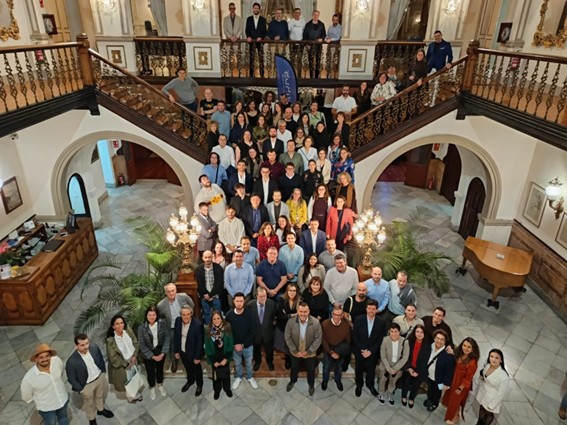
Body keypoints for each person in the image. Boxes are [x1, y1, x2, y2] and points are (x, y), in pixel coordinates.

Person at [65, 334, 114, 425]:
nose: (86, 347)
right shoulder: (71, 361)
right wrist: (81, 389)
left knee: (100, 396)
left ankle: (100, 410)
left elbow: (101, 359)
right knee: (89, 403)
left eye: (87, 343)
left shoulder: (94, 348)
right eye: (82, 345)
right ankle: (91, 419)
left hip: (99, 378)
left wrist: (103, 372)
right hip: (87, 385)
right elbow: (71, 378)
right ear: (76, 346)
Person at [21, 343, 70, 425]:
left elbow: (60, 373)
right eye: (41, 357)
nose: (45, 359)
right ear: (36, 359)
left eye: (47, 356)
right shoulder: (29, 378)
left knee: (63, 418)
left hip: (62, 400)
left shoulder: (57, 361)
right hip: (47, 408)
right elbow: (26, 397)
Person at [284, 301, 323, 396]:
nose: (303, 314)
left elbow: (318, 339)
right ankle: (292, 381)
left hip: (310, 354)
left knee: (311, 370)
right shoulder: (291, 322)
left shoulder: (316, 323)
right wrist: (294, 350)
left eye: (305, 311)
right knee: (294, 368)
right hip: (295, 353)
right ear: (297, 311)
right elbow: (287, 337)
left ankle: (311, 385)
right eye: (301, 311)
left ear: (309, 311)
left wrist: (309, 351)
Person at [157, 283, 193, 373]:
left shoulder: (184, 297)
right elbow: (160, 317)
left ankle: (190, 359)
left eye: (173, 291)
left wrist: (188, 316)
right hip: (172, 327)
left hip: (185, 323)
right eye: (169, 291)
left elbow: (192, 305)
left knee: (189, 341)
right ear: (166, 293)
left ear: (176, 290)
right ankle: (174, 362)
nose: (171, 293)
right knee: (172, 345)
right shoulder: (161, 305)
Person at [442, 337, 480, 424]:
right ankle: (454, 412)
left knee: (455, 401)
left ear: (473, 349)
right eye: (464, 345)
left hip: (461, 385)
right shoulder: (460, 354)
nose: (465, 348)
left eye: (469, 347)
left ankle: (455, 417)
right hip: (454, 380)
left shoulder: (473, 363)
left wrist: (460, 388)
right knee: (452, 399)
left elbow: (468, 378)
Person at [352, 299, 385, 397]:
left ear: (376, 310)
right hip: (360, 350)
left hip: (372, 351)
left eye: (373, 309)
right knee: (358, 369)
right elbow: (355, 336)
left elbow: (380, 339)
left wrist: (370, 351)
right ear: (366, 309)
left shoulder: (381, 322)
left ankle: (370, 385)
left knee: (371, 370)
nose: (371, 311)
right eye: (369, 308)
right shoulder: (358, 319)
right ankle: (359, 385)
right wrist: (362, 349)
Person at [225, 292, 258, 390]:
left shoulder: (250, 314)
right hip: (235, 346)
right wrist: (235, 344)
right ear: (233, 301)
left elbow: (252, 331)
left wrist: (243, 344)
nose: (239, 303)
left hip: (247, 345)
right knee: (237, 363)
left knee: (249, 363)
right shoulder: (229, 315)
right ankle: (238, 377)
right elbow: (228, 332)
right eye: (237, 301)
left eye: (241, 301)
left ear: (244, 301)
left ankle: (250, 377)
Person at [105, 314, 141, 402]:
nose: (120, 325)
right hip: (123, 364)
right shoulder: (111, 341)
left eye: (121, 323)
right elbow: (113, 358)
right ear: (113, 326)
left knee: (135, 377)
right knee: (127, 381)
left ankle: (136, 393)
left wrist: (135, 356)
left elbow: (135, 342)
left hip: (133, 359)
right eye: (117, 324)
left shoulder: (128, 330)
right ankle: (132, 397)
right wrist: (126, 364)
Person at [137, 305, 169, 400]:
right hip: (148, 353)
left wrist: (163, 353)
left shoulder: (162, 323)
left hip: (160, 350)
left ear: (157, 315)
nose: (151, 317)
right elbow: (142, 345)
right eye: (149, 315)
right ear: (146, 316)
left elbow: (167, 338)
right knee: (150, 372)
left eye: (153, 315)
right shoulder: (142, 328)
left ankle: (160, 384)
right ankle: (152, 387)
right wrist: (152, 356)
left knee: (160, 369)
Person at [173, 304, 204, 396]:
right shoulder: (178, 321)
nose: (186, 317)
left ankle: (199, 385)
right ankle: (190, 381)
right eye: (183, 314)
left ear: (191, 314)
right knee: (188, 368)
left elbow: (200, 342)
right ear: (181, 315)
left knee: (197, 371)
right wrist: (176, 351)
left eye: (188, 314)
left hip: (194, 353)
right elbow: (176, 336)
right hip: (182, 351)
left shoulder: (198, 325)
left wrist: (198, 357)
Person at [377, 322, 409, 405]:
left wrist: (395, 369)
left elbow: (405, 357)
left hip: (397, 367)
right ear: (389, 331)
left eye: (396, 331)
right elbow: (383, 355)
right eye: (392, 331)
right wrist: (388, 368)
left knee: (393, 382)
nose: (394, 334)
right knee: (382, 380)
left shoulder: (405, 342)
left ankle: (390, 393)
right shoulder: (385, 340)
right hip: (385, 365)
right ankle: (381, 393)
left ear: (399, 332)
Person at [204, 310, 234, 399]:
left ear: (221, 318)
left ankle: (227, 389)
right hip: (215, 358)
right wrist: (213, 361)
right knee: (216, 376)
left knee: (226, 375)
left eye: (218, 318)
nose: (216, 320)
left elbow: (230, 342)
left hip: (225, 357)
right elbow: (207, 346)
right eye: (214, 319)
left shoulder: (227, 327)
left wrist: (226, 358)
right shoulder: (208, 329)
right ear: (211, 320)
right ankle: (217, 390)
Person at [400, 324, 431, 408]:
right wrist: (409, 368)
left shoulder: (427, 345)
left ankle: (411, 398)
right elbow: (405, 356)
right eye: (417, 331)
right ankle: (403, 396)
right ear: (414, 333)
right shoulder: (409, 342)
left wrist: (417, 372)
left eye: (421, 332)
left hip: (419, 369)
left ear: (424, 334)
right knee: (406, 382)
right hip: (409, 367)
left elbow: (425, 361)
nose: (419, 334)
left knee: (416, 385)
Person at [476, 349, 510, 425]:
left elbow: (501, 394)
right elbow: (485, 376)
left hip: (492, 398)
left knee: (488, 413)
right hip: (483, 394)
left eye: (497, 358)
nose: (493, 359)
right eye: (491, 356)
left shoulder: (504, 376)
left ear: (501, 360)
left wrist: (492, 405)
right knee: (481, 408)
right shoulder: (488, 365)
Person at [423, 329, 455, 412]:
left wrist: (446, 384)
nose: (439, 341)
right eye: (437, 338)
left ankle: (434, 403)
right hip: (429, 376)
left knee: (437, 392)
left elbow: (449, 372)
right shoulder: (430, 347)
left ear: (445, 341)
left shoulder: (448, 355)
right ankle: (429, 399)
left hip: (439, 380)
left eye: (442, 339)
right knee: (430, 389)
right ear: (434, 338)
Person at [321, 305, 350, 391]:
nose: (336, 317)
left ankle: (338, 381)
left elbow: (348, 340)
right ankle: (325, 381)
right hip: (328, 349)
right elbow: (323, 340)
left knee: (339, 367)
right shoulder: (325, 324)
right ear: (332, 314)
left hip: (340, 349)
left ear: (342, 315)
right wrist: (330, 352)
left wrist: (339, 352)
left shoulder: (346, 325)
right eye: (335, 314)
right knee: (326, 367)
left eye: (339, 315)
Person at [248, 287, 277, 371]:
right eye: (260, 296)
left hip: (268, 332)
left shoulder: (272, 304)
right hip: (256, 333)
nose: (263, 298)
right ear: (256, 296)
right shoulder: (250, 305)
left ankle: (270, 361)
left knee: (269, 349)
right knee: (256, 349)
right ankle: (257, 362)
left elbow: (274, 317)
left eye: (264, 296)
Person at [195, 250, 224, 325]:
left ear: (212, 257)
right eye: (206, 257)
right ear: (202, 258)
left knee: (218, 314)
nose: (207, 259)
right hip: (204, 296)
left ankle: (218, 329)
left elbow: (219, 284)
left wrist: (211, 295)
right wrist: (206, 295)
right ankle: (209, 329)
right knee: (207, 313)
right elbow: (199, 284)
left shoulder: (218, 268)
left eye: (209, 257)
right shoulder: (198, 269)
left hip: (215, 296)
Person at [245, 2, 267, 78]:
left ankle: (262, 74)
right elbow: (247, 30)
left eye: (257, 8)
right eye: (255, 8)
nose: (256, 10)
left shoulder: (263, 19)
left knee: (261, 58)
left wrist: (261, 37)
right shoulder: (249, 19)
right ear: (253, 9)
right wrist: (248, 36)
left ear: (259, 9)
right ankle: (251, 75)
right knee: (251, 58)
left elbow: (265, 31)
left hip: (260, 42)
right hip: (251, 42)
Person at [303, 10, 326, 79]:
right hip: (310, 46)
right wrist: (307, 44)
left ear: (319, 16)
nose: (316, 16)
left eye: (317, 15)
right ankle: (311, 76)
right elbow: (304, 35)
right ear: (312, 15)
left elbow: (324, 34)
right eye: (314, 14)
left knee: (318, 62)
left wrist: (321, 39)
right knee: (310, 61)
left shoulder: (322, 24)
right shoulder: (308, 24)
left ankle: (316, 77)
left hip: (318, 46)